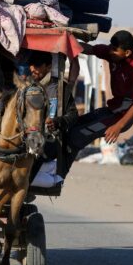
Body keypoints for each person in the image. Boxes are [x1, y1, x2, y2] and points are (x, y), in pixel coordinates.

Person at [68, 30, 133, 150]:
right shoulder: (112, 53)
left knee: (80, 133)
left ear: (127, 52)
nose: (110, 51)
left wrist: (118, 126)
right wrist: (69, 43)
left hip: (122, 117)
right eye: (110, 47)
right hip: (112, 109)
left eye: (114, 49)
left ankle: (62, 161)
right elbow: (90, 49)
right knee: (75, 123)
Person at [27, 51, 79, 183]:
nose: (33, 69)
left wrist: (56, 122)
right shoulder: (26, 87)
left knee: (37, 152)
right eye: (31, 65)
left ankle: (24, 187)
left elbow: (73, 115)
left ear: (48, 67)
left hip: (49, 140)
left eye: (37, 65)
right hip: (25, 136)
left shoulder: (60, 88)